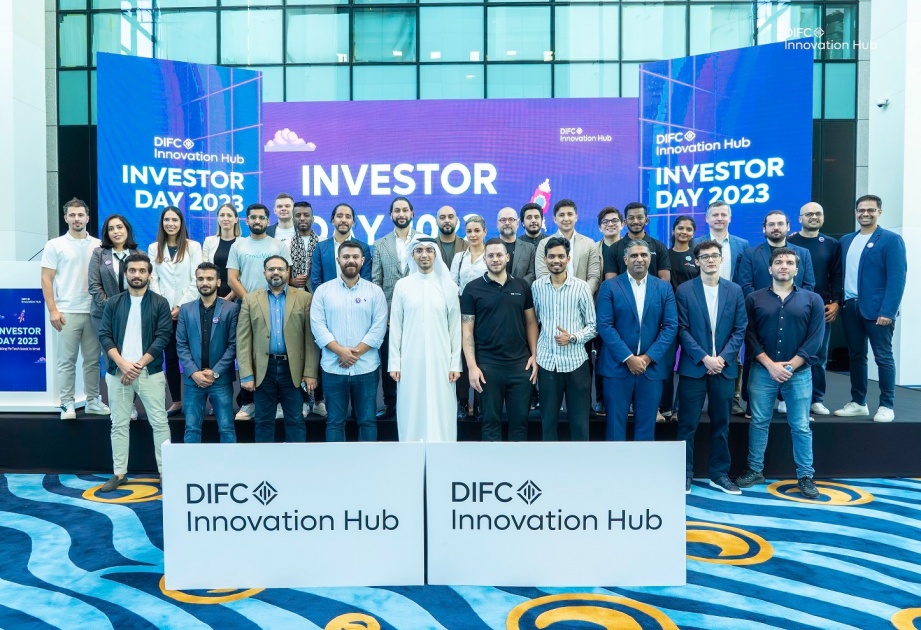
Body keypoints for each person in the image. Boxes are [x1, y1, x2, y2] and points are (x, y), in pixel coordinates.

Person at [735, 247, 825, 499]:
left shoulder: (813, 299)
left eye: (789, 262)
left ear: (797, 269)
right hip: (763, 371)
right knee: (758, 422)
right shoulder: (753, 299)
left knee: (801, 425)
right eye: (778, 262)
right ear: (770, 268)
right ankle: (755, 470)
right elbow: (749, 336)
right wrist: (770, 364)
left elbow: (816, 339)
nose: (783, 266)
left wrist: (790, 366)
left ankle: (805, 476)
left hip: (799, 373)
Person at [676, 240, 747, 495]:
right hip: (694, 368)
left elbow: (740, 329)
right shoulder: (684, 290)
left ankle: (719, 474)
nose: (710, 260)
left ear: (721, 259)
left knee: (721, 424)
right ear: (697, 261)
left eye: (714, 255)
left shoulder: (735, 290)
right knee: (687, 425)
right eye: (704, 257)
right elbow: (682, 329)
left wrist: (722, 359)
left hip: (724, 369)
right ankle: (684, 474)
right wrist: (704, 358)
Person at [97, 254, 172, 492]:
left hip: (149, 372)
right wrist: (122, 364)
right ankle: (119, 474)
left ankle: (166, 472)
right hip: (117, 372)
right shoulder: (113, 303)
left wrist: (137, 366)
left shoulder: (160, 303)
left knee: (159, 422)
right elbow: (104, 335)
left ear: (149, 274)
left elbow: (163, 337)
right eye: (132, 270)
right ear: (125, 273)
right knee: (118, 424)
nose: (137, 275)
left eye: (141, 271)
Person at [834, 194, 907, 423]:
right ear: (856, 212)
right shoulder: (846, 240)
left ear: (879, 212)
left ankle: (886, 405)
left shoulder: (891, 240)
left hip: (878, 311)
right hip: (850, 307)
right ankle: (858, 403)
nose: (865, 213)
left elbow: (897, 278)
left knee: (883, 357)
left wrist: (888, 311)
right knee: (856, 357)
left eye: (871, 210)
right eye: (861, 210)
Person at [596, 239, 677, 441]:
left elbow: (670, 326)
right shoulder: (609, 286)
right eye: (634, 255)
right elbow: (605, 325)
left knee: (646, 430)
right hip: (617, 368)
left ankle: (643, 464)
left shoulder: (664, 288)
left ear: (650, 258)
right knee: (615, 428)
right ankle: (617, 464)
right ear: (625, 260)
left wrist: (647, 358)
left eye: (643, 255)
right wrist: (628, 357)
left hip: (651, 369)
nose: (639, 259)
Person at [737, 210, 815, 416]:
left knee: (793, 351)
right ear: (764, 229)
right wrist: (764, 305)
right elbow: (745, 284)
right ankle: (752, 403)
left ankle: (786, 400)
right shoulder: (751, 253)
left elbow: (809, 284)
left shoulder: (803, 253)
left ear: (788, 227)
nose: (776, 227)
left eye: (780, 223)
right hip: (760, 314)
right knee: (755, 355)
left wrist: (793, 305)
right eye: (771, 224)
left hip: (794, 313)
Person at [461, 238, 538, 441]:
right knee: (490, 424)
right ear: (484, 259)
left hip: (520, 366)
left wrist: (534, 355)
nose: (495, 259)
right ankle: (491, 463)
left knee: (520, 425)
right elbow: (467, 331)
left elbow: (531, 322)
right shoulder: (472, 288)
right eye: (490, 256)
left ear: (507, 257)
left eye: (499, 255)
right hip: (487, 368)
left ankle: (518, 463)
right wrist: (472, 366)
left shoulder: (522, 286)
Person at [236, 255, 319, 443]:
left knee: (295, 420)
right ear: (264, 273)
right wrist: (246, 374)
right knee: (263, 421)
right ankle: (265, 462)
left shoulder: (305, 298)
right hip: (263, 369)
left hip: (293, 369)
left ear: (287, 272)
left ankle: (294, 460)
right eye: (271, 269)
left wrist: (310, 372)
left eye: (280, 269)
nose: (276, 272)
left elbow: (310, 339)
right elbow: (243, 340)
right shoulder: (250, 299)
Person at [310, 241, 387, 442]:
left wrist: (354, 353)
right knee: (335, 422)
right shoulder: (323, 291)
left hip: (366, 368)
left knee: (367, 421)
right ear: (338, 260)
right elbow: (318, 326)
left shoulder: (375, 292)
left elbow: (378, 328)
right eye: (346, 257)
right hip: (333, 368)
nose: (350, 260)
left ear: (362, 260)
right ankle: (337, 462)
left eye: (355, 257)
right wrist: (340, 352)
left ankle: (367, 462)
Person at [41, 198, 109, 419]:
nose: (76, 219)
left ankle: (92, 401)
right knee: (66, 361)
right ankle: (67, 403)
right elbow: (46, 278)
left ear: (88, 218)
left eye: (80, 215)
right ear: (65, 218)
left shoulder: (99, 245)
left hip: (94, 312)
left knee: (92, 360)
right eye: (72, 215)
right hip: (66, 312)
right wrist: (53, 310)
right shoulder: (55, 245)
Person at [389, 238, 463, 441]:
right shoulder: (402, 286)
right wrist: (395, 363)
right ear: (412, 255)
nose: (424, 255)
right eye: (419, 250)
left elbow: (455, 328)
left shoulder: (448, 286)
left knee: (442, 405)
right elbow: (396, 327)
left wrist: (455, 364)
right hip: (410, 360)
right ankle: (411, 448)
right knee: (411, 405)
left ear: (435, 255)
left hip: (441, 360)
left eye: (429, 250)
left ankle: (443, 449)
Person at [226, 203, 289, 420]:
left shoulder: (278, 246)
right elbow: (232, 279)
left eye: (262, 218)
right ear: (247, 221)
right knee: (247, 352)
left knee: (275, 354)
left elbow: (285, 275)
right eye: (253, 217)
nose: (257, 221)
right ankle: (247, 403)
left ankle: (279, 403)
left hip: (276, 306)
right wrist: (251, 301)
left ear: (268, 221)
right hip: (247, 306)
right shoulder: (238, 246)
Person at [531, 236, 597, 441]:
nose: (556, 261)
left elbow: (593, 326)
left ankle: (579, 461)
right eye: (551, 257)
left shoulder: (581, 287)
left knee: (579, 423)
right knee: (548, 422)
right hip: (547, 363)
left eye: (561, 256)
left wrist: (573, 337)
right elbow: (534, 322)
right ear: (545, 259)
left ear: (568, 259)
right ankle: (550, 461)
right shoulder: (537, 287)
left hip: (576, 363)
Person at [692, 200, 750, 415]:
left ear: (730, 218)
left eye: (723, 214)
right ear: (707, 218)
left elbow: (744, 277)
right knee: (699, 351)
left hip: (730, 305)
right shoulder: (695, 242)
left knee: (733, 355)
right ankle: (695, 398)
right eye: (715, 214)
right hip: (701, 303)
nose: (719, 218)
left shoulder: (742, 244)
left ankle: (733, 398)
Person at [788, 202, 843, 416]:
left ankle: (816, 399)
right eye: (809, 214)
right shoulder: (790, 242)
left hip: (821, 308)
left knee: (818, 356)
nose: (814, 217)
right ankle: (785, 398)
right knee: (791, 353)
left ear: (823, 217)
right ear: (800, 218)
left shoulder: (831, 244)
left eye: (818, 213)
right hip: (792, 307)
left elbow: (836, 275)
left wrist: (836, 301)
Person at [176, 262, 240, 444]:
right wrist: (193, 372)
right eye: (201, 279)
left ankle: (229, 463)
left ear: (218, 282)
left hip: (220, 380)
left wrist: (215, 372)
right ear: (196, 281)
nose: (205, 283)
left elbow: (233, 345)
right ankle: (192, 463)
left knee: (226, 428)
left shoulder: (231, 309)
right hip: (193, 380)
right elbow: (181, 344)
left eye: (210, 279)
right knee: (191, 429)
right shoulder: (185, 309)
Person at [147, 206, 202, 417]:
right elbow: (153, 279)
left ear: (181, 223)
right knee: (170, 357)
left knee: (192, 357)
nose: (170, 224)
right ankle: (177, 401)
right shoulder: (154, 248)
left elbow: (197, 279)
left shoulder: (193, 246)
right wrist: (165, 307)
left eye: (174, 220)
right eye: (167, 220)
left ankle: (195, 401)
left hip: (189, 310)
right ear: (162, 223)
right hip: (163, 313)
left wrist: (181, 306)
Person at [372, 196, 421, 420]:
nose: (401, 214)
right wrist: (385, 315)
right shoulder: (380, 244)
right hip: (389, 315)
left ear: (412, 213)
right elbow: (376, 282)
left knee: (416, 358)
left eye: (405, 210)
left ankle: (416, 403)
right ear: (391, 215)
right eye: (397, 211)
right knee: (389, 359)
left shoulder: (424, 241)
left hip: (418, 312)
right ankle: (390, 404)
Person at [288, 200, 326, 418]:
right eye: (298, 215)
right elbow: (278, 273)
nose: (302, 218)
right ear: (293, 218)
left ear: (312, 217)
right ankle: (302, 400)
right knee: (298, 352)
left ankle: (318, 399)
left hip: (316, 301)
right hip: (292, 301)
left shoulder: (321, 244)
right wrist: (291, 281)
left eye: (306, 215)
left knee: (318, 351)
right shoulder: (285, 243)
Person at [660, 215, 700, 421]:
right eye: (680, 228)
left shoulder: (698, 257)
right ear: (673, 230)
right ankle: (665, 406)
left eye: (688, 229)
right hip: (668, 318)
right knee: (666, 364)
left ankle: (679, 409)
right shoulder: (664, 255)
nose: (684, 232)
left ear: (693, 233)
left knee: (689, 365)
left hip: (692, 317)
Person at [450, 214, 488, 420]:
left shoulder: (491, 255)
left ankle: (481, 403)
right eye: (469, 231)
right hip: (462, 312)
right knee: (462, 358)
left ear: (484, 232)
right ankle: (463, 403)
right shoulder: (459, 257)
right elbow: (452, 285)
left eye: (477, 231)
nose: (473, 235)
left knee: (481, 357)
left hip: (486, 313)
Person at [590, 206, 624, 417]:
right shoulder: (593, 249)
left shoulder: (631, 248)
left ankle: (624, 401)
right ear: (599, 227)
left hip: (626, 312)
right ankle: (601, 400)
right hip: (598, 310)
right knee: (601, 356)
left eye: (614, 221)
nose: (610, 224)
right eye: (605, 222)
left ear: (622, 224)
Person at [89, 214, 144, 335]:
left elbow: (145, 284)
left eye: (119, 227)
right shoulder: (99, 254)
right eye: (111, 229)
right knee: (108, 347)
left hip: (133, 313)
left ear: (127, 229)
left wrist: (130, 306)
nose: (116, 231)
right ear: (107, 233)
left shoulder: (140, 255)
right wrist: (111, 306)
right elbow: (94, 285)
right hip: (103, 314)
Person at [535, 199, 601, 294]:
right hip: (553, 298)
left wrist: (582, 296)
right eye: (561, 215)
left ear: (576, 217)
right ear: (555, 219)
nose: (566, 219)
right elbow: (542, 274)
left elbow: (594, 276)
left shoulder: (589, 244)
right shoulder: (544, 244)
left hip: (582, 297)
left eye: (570, 214)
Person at [603, 202, 671, 284]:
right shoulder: (613, 249)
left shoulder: (659, 247)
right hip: (622, 292)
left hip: (653, 292)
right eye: (631, 218)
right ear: (625, 222)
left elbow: (665, 280)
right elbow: (611, 282)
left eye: (640, 217)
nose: (635, 221)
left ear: (646, 220)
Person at [311, 203, 372, 291]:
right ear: (333, 220)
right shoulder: (321, 247)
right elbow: (316, 281)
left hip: (357, 298)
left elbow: (366, 279)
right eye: (339, 216)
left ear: (353, 222)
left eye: (348, 217)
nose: (343, 220)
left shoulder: (363, 248)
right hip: (327, 297)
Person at [202, 202, 240, 300]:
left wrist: (229, 297)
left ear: (236, 219)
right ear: (218, 219)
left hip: (236, 295)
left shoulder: (243, 243)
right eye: (222, 215)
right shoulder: (209, 241)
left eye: (229, 215)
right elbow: (204, 271)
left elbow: (244, 275)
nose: (225, 218)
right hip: (212, 295)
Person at [496, 207, 537, 284]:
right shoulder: (490, 247)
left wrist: (516, 287)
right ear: (497, 224)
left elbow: (531, 274)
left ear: (517, 224)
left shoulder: (529, 248)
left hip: (521, 290)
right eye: (503, 220)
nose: (507, 223)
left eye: (511, 219)